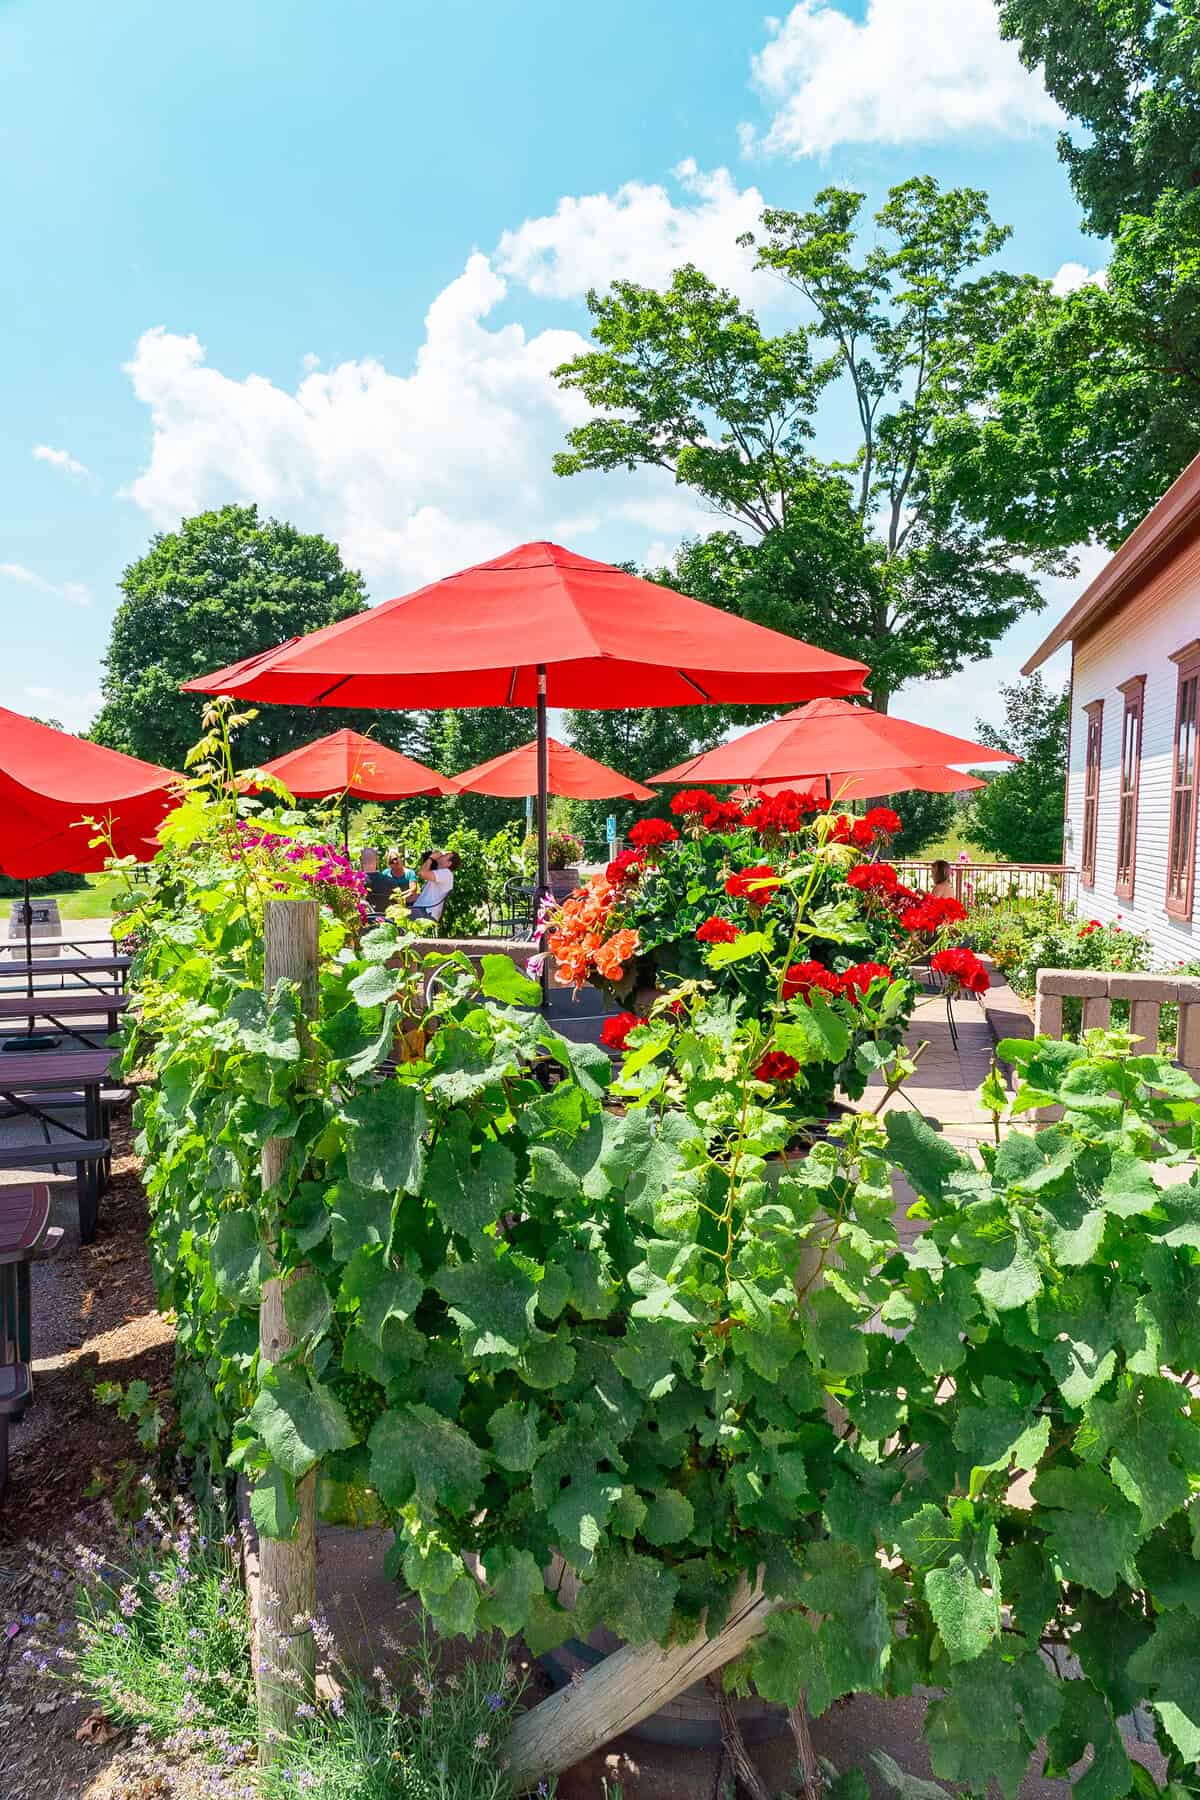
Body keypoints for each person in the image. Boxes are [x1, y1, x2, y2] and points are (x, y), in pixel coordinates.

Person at [408, 849, 459, 920]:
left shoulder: (447, 873)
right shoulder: (441, 873)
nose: (441, 855)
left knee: (393, 919)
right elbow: (433, 896)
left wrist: (431, 858)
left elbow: (422, 873)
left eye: (445, 855)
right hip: (422, 911)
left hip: (425, 913)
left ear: (449, 863)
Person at [359, 846, 397, 915]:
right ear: (377, 860)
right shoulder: (390, 881)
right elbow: (397, 905)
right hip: (387, 922)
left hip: (362, 922)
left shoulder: (355, 882)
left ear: (361, 861)